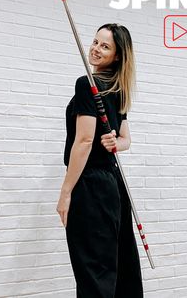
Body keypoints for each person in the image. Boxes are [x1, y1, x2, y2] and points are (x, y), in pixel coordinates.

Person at [56, 23, 143, 298]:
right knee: (115, 266)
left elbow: (84, 141)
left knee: (94, 271)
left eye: (105, 46)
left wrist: (66, 192)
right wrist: (116, 143)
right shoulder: (119, 89)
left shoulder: (88, 85)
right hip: (112, 186)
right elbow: (125, 140)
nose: (95, 49)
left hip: (91, 184)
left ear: (117, 55)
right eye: (95, 42)